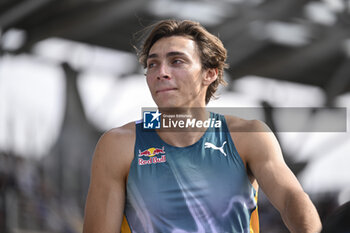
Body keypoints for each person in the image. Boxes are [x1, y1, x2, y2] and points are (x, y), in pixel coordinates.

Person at [82, 19, 322, 233]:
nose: (161, 72)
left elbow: (292, 198)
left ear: (209, 74)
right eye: (152, 64)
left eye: (176, 61)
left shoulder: (247, 136)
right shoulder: (119, 144)